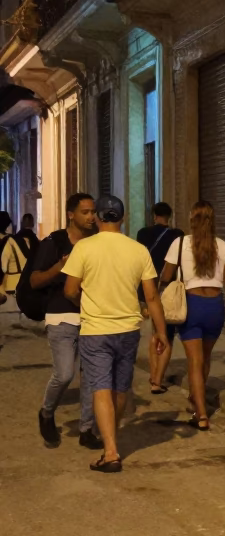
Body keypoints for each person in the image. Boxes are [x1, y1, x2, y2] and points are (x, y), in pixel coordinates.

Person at [63, 195, 168, 473]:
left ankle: (110, 451)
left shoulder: (84, 248)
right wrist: (161, 332)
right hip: (128, 329)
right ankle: (113, 438)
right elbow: (152, 297)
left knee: (100, 387)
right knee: (121, 388)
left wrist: (81, 302)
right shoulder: (138, 250)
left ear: (97, 217)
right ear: (122, 219)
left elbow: (70, 290)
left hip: (96, 329)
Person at [161, 200, 225, 431]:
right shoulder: (224, 247)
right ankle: (196, 399)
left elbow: (166, 275)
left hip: (192, 306)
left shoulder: (179, 243)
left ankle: (201, 414)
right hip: (215, 307)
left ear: (191, 219)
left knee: (194, 362)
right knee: (205, 359)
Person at [33, 193, 99, 448]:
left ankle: (86, 429)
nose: (91, 216)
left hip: (91, 316)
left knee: (91, 376)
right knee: (64, 373)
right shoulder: (54, 241)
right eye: (85, 212)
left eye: (93, 211)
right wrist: (59, 267)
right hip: (61, 314)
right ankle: (46, 413)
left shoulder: (96, 241)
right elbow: (35, 280)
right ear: (71, 214)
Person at [136, 202, 183, 394]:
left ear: (154, 215)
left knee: (154, 333)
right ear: (170, 215)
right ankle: (157, 380)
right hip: (167, 290)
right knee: (166, 335)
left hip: (146, 289)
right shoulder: (177, 235)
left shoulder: (142, 234)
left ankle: (153, 375)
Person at [0, 210, 26, 294]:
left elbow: (3, 268)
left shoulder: (5, 242)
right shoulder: (17, 239)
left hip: (9, 287)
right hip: (22, 283)